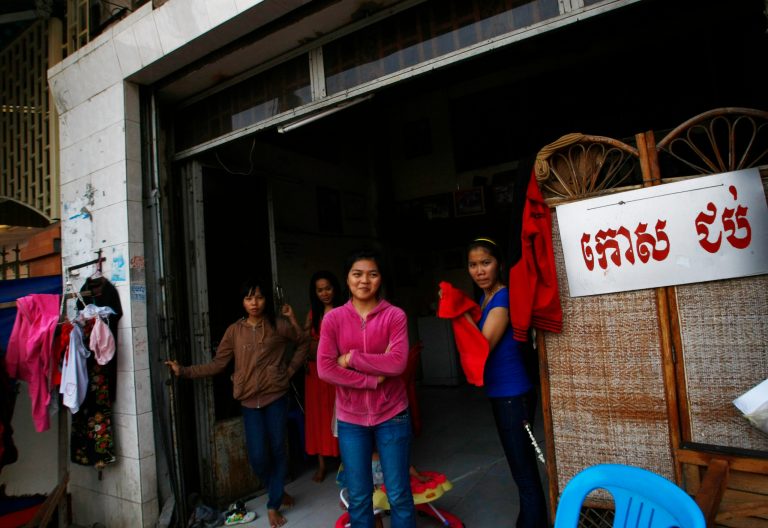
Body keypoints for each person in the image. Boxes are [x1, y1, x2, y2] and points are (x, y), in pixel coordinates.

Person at [165, 277, 308, 528]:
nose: (254, 303)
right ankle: (277, 488)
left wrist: (289, 370)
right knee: (258, 457)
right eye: (249, 298)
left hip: (276, 397)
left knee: (277, 448)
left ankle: (273, 503)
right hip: (249, 401)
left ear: (266, 300)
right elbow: (218, 364)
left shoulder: (277, 325)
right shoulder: (234, 331)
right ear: (242, 302)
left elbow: (303, 342)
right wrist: (184, 371)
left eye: (259, 297)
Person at [317, 249, 416, 528]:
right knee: (359, 497)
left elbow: (397, 364)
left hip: (392, 413)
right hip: (351, 419)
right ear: (347, 279)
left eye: (372, 274)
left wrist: (350, 359)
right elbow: (326, 369)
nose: (364, 281)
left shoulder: (395, 316)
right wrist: (372, 378)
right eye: (357, 274)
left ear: (380, 279)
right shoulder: (333, 319)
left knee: (398, 494)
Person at [456, 237, 548, 527]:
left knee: (523, 471)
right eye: (473, 265)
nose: (479, 270)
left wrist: (456, 312)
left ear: (499, 264)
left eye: (486, 262)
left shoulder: (503, 297)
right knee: (519, 468)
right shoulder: (485, 298)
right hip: (503, 393)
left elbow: (482, 346)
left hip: (513, 395)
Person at [303, 270, 343, 482]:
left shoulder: (344, 311)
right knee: (318, 418)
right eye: (320, 290)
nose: (324, 293)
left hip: (338, 373)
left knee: (340, 416)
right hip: (316, 376)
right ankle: (321, 465)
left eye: (328, 288)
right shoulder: (312, 315)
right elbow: (304, 342)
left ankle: (344, 461)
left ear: (335, 288)